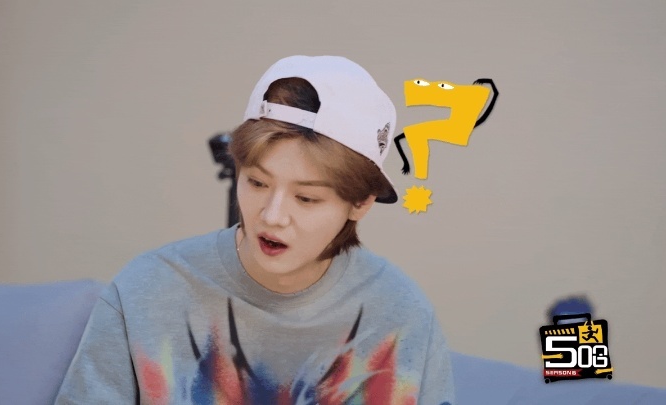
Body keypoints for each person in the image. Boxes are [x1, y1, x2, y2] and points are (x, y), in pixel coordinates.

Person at [55, 55, 454, 405]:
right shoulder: (147, 291)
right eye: (257, 183)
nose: (272, 216)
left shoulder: (401, 316)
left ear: (361, 203)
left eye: (306, 198)